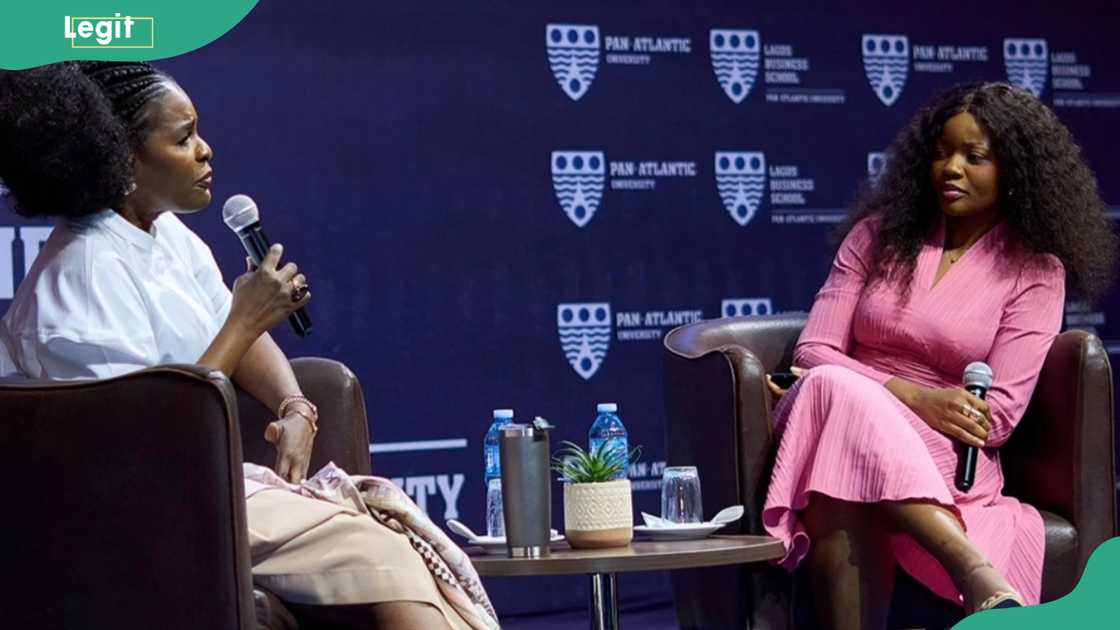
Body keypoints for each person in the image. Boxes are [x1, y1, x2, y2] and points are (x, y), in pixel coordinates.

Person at [0, 62, 489, 630]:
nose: (206, 151)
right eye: (183, 138)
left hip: (197, 490)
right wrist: (246, 318)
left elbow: (232, 335)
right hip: (125, 517)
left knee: (394, 547)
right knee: (384, 551)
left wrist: (295, 405)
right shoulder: (82, 272)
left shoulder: (163, 234)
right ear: (124, 161)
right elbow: (145, 446)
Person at [763, 82, 1116, 629]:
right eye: (941, 152)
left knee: (838, 451)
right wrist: (914, 396)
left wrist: (899, 403)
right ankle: (972, 568)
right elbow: (815, 352)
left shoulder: (1035, 271)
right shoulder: (876, 237)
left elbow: (993, 418)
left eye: (974, 157)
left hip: (945, 457)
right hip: (829, 409)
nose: (950, 168)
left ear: (1017, 172)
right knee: (835, 394)